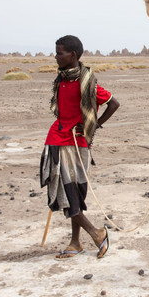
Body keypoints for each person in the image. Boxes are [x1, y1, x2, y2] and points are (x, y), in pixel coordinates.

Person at [39, 35, 120, 260]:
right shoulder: (61, 80)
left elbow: (114, 103)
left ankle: (96, 233)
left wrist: (92, 127)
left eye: (60, 53)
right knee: (68, 193)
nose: (56, 57)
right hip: (56, 141)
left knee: (73, 194)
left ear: (72, 55)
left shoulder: (86, 82)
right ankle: (77, 242)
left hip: (77, 143)